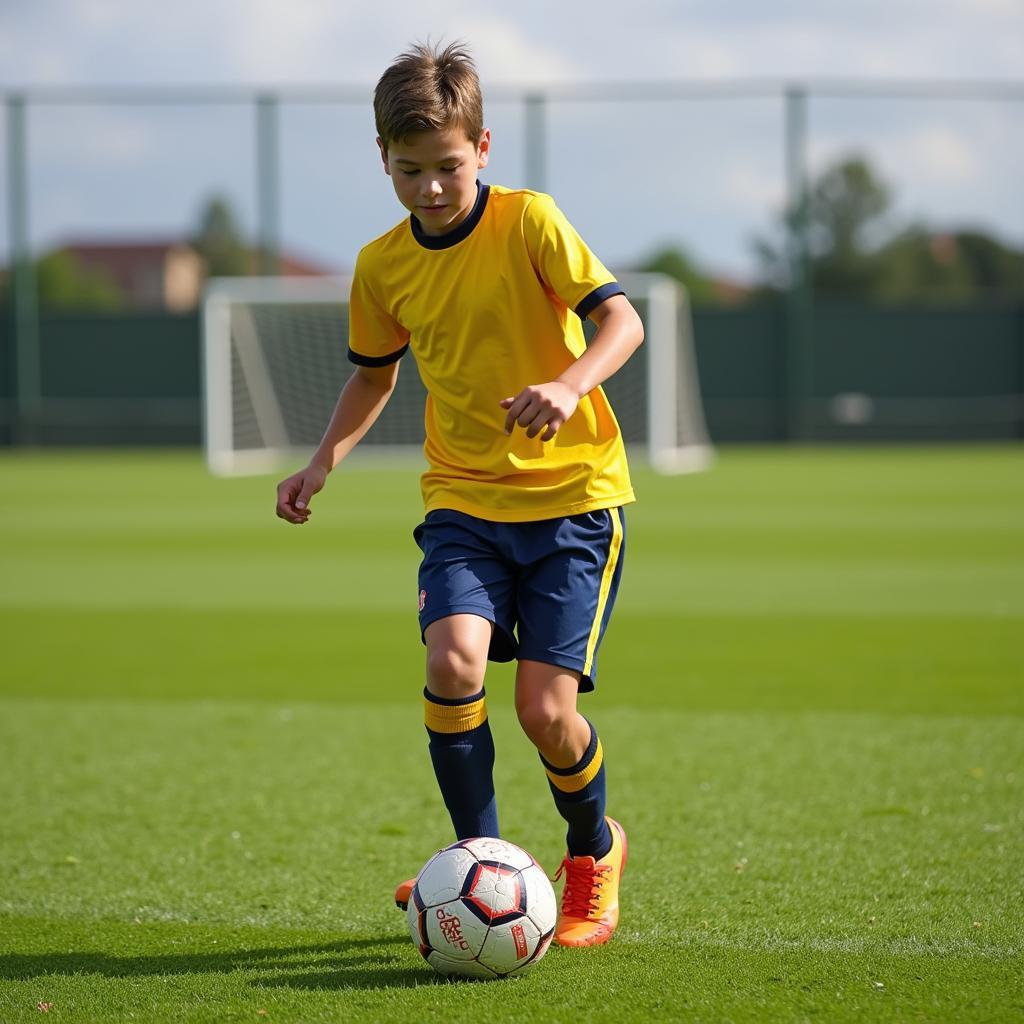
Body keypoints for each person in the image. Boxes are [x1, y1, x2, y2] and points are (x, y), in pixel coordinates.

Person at [275, 41, 643, 948]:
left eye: (447, 167)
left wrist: (568, 384)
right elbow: (372, 378)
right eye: (410, 171)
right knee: (452, 666)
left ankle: (593, 850)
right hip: (463, 503)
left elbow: (620, 319)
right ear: (382, 158)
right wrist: (322, 462)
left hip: (572, 500)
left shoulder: (528, 223)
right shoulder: (381, 265)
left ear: (483, 147)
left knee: (544, 714)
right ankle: (477, 863)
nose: (431, 188)